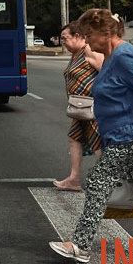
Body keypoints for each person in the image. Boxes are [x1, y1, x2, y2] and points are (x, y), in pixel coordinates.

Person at [49, 8, 133, 263]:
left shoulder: (124, 56)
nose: (87, 40)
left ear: (106, 32)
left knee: (98, 181)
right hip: (123, 133)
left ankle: (80, 245)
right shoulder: (110, 56)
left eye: (90, 34)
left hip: (131, 133)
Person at [52, 23, 104, 192]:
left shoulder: (89, 51)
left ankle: (110, 180)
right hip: (79, 107)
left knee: (98, 142)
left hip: (92, 107)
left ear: (78, 36)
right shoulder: (75, 54)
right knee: (74, 139)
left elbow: (107, 74)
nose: (63, 42)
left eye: (65, 38)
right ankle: (74, 179)